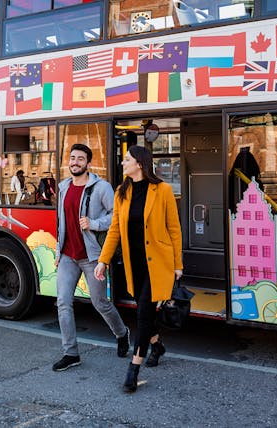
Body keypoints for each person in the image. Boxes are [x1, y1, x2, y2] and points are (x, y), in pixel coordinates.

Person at [94, 145, 183, 393]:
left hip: (158, 264)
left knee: (144, 313)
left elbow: (174, 229)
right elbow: (114, 230)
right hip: (133, 265)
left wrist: (178, 265)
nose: (123, 163)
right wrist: (103, 260)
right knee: (144, 310)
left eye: (127, 159)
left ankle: (134, 369)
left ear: (140, 163)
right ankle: (157, 346)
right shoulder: (121, 192)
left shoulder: (162, 190)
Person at [53, 143, 130, 372]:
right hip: (68, 255)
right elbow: (61, 224)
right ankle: (71, 353)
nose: (74, 162)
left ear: (88, 163)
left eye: (80, 159)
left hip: (92, 256)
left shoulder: (101, 187)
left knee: (100, 303)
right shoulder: (64, 187)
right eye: (72, 158)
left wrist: (94, 223)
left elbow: (117, 216)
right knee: (63, 303)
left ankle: (122, 333)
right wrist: (58, 252)